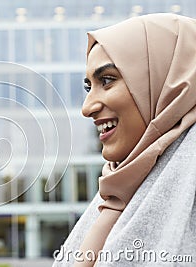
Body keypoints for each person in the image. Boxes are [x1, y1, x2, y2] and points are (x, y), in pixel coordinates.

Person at [53, 13, 196, 266]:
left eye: (107, 80)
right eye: (89, 87)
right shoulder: (118, 187)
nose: (87, 108)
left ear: (167, 82)